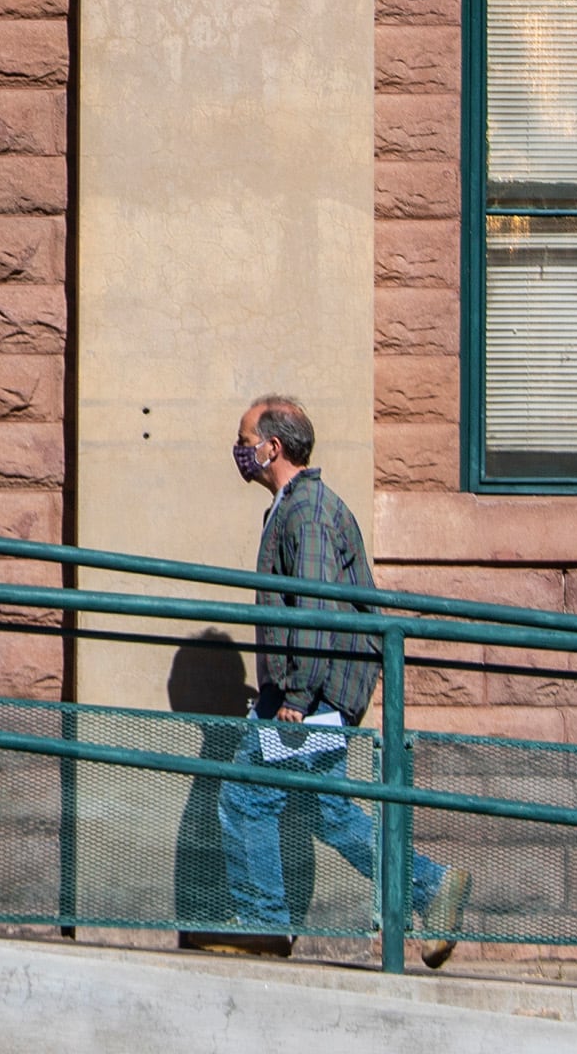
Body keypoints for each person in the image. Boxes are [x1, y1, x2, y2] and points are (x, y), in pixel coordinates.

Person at [200, 394, 470, 968]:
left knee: (245, 795)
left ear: (272, 447)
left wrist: (295, 697)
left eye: (245, 440)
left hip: (314, 697)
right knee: (330, 811)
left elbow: (318, 608)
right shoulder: (294, 507)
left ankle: (264, 926)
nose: (239, 451)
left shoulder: (309, 511)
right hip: (320, 693)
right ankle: (431, 888)